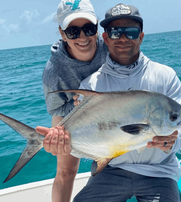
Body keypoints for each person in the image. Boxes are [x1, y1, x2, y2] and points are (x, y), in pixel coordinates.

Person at [37, 3, 181, 202]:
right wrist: (60, 141)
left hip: (159, 172)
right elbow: (67, 114)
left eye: (131, 32)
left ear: (141, 37)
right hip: (111, 170)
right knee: (68, 177)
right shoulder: (89, 84)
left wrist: (174, 140)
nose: (124, 38)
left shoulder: (165, 76)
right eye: (116, 33)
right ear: (106, 38)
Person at [39, 0, 108, 201]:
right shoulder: (53, 71)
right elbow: (56, 109)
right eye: (73, 32)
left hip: (109, 111)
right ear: (62, 33)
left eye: (88, 28)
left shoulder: (110, 47)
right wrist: (79, 103)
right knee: (66, 171)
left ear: (97, 25)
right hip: (71, 113)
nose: (83, 37)